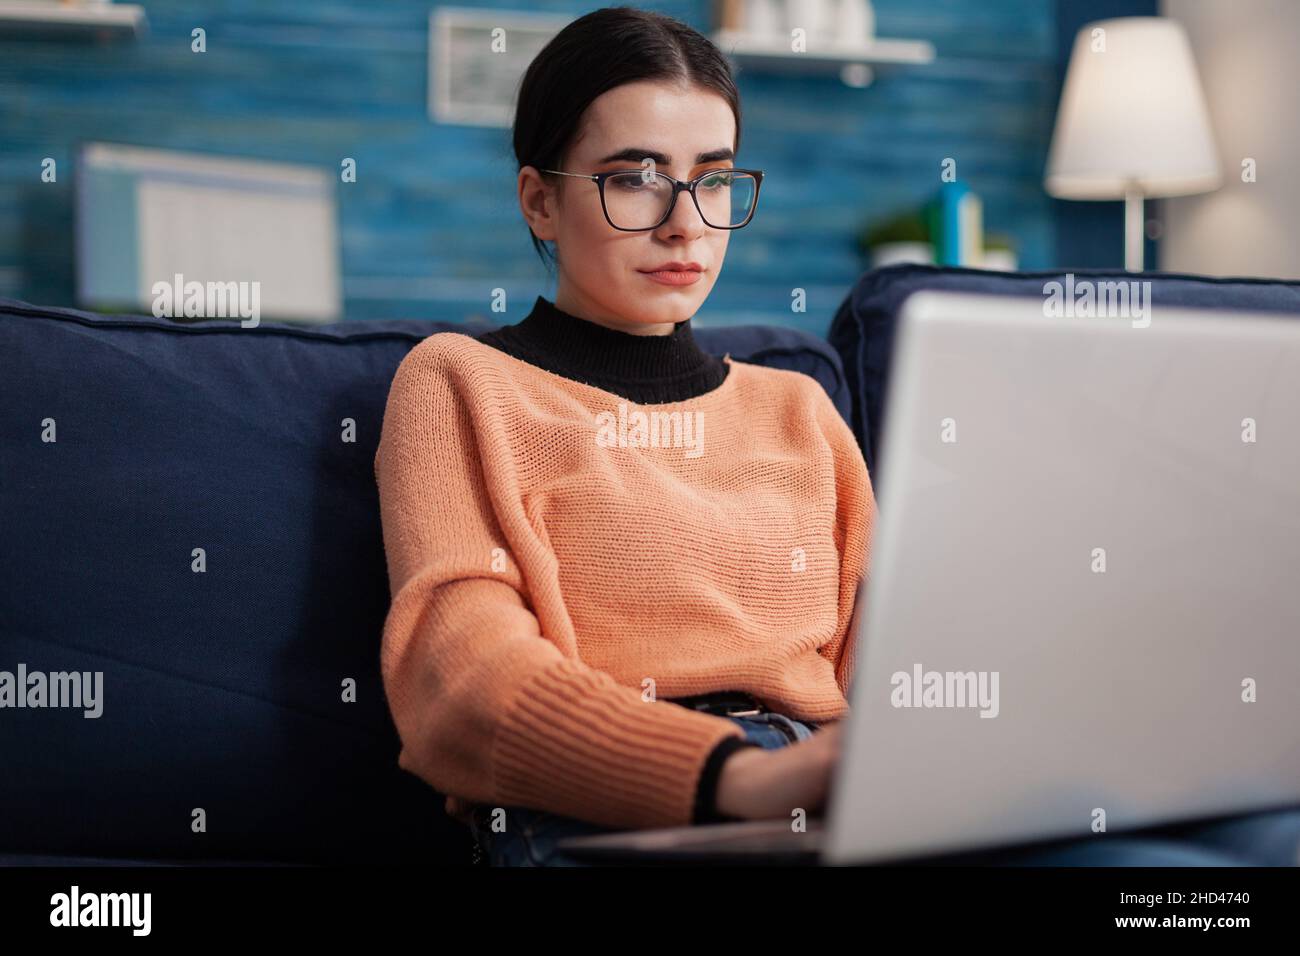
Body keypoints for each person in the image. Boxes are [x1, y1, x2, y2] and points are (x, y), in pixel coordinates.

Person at [375, 6, 1300, 868]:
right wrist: (733, 775)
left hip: (827, 791)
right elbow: (461, 685)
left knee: (1256, 835)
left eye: (713, 179)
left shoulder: (796, 409)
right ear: (540, 201)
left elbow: (893, 664)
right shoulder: (463, 383)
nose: (684, 223)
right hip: (627, 808)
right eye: (636, 180)